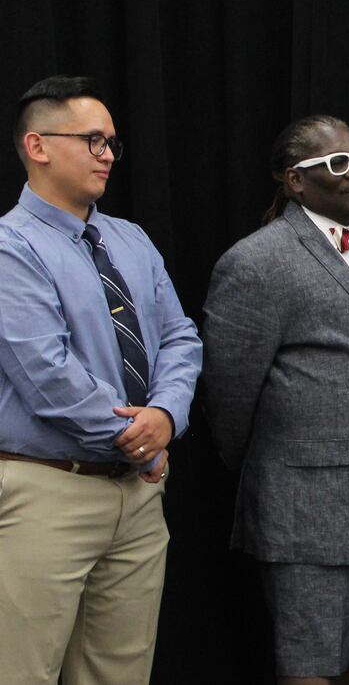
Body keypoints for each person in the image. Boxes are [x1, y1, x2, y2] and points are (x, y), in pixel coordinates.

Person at [202, 115, 349, 685]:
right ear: (294, 181)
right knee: (310, 668)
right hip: (310, 510)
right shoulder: (259, 261)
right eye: (335, 164)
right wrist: (277, 478)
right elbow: (229, 395)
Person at [0, 75, 201, 684]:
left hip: (138, 497)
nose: (107, 154)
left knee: (120, 673)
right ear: (38, 146)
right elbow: (44, 371)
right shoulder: (10, 247)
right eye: (92, 140)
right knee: (22, 671)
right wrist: (139, 440)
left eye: (111, 141)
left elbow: (180, 338)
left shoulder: (130, 239)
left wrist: (164, 417)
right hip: (48, 492)